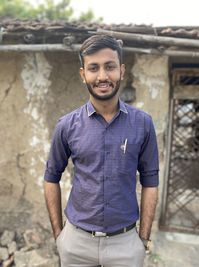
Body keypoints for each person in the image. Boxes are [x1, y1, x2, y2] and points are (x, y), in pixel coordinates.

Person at [44, 34, 159, 267]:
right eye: (93, 68)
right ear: (82, 74)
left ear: (122, 71)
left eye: (110, 67)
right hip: (76, 245)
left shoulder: (143, 124)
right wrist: (60, 236)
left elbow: (151, 183)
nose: (102, 76)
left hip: (125, 246)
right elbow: (50, 178)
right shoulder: (67, 125)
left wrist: (143, 238)